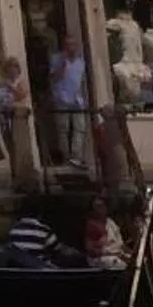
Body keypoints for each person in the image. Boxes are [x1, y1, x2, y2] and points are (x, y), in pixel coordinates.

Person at [47, 38, 88, 167]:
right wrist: (62, 66)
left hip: (77, 99)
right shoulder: (56, 59)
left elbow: (82, 82)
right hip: (62, 98)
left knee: (79, 127)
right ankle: (65, 157)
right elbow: (53, 78)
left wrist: (84, 98)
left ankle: (76, 156)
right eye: (68, 45)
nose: (71, 48)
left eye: (73, 45)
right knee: (63, 129)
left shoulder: (80, 61)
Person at [82, 195, 128, 270]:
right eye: (95, 207)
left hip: (118, 254)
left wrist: (131, 253)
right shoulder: (91, 225)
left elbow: (120, 244)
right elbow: (90, 249)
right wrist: (111, 253)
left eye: (100, 206)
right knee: (120, 264)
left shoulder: (111, 223)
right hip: (101, 259)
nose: (97, 209)